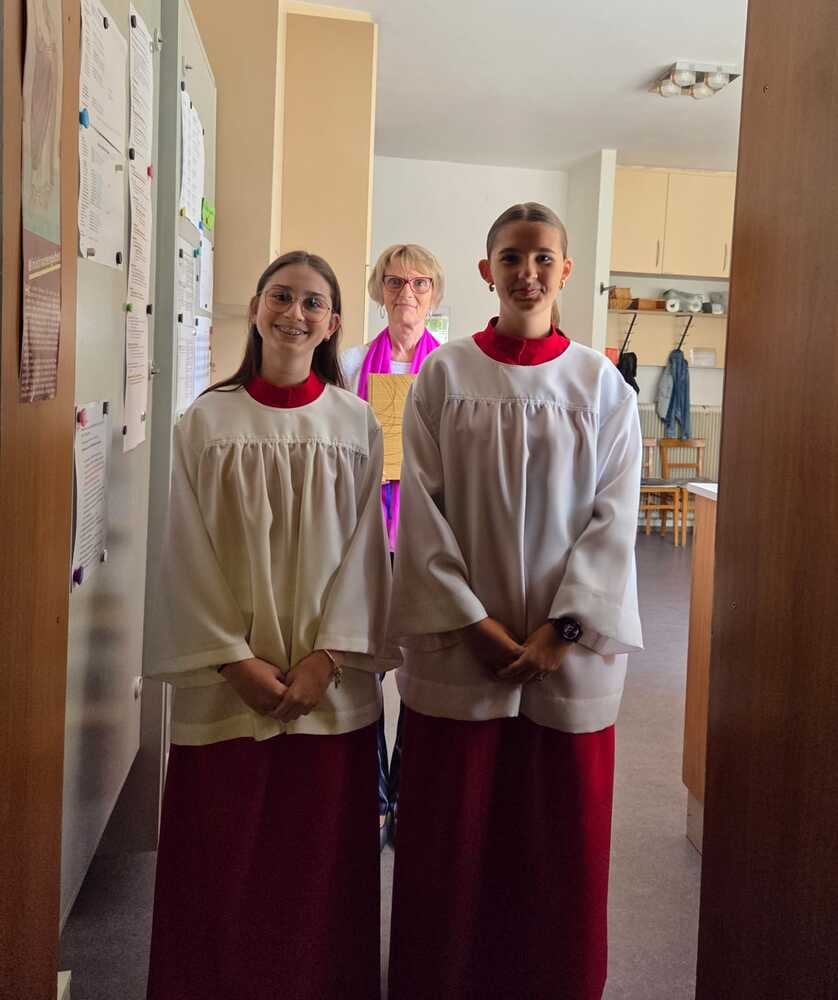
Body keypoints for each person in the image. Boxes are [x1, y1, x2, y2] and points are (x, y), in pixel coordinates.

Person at [387, 204, 643, 1000]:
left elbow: (615, 518)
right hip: (464, 649)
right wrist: (474, 623)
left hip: (566, 654)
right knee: (452, 841)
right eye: (510, 257)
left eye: (541, 258)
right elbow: (421, 510)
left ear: (565, 271)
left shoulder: (600, 385)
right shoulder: (446, 375)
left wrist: (562, 631)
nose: (526, 272)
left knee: (556, 844)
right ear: (486, 270)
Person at [145, 251, 394, 1000]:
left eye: (313, 303)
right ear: (255, 309)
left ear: (333, 323)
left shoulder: (355, 423)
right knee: (225, 860)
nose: (295, 313)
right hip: (228, 686)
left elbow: (368, 552)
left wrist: (329, 658)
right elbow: (183, 548)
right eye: (281, 297)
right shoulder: (207, 420)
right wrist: (232, 660)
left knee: (317, 868)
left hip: (329, 686)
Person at [340, 243, 444, 845]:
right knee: (366, 665)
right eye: (396, 281)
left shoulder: (448, 366)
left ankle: (407, 787)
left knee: (424, 668)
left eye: (420, 283)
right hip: (366, 531)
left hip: (426, 534)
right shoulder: (352, 362)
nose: (407, 293)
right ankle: (376, 794)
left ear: (435, 293)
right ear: (379, 289)